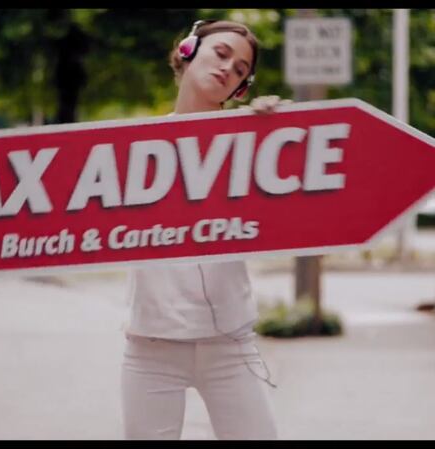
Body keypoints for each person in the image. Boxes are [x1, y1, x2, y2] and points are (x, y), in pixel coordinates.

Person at [120, 19, 289, 440]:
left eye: (240, 69)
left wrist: (276, 133)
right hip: (151, 345)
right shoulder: (133, 147)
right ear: (188, 50)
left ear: (241, 89)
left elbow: (290, 214)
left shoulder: (251, 144)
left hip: (230, 344)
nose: (228, 68)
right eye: (221, 53)